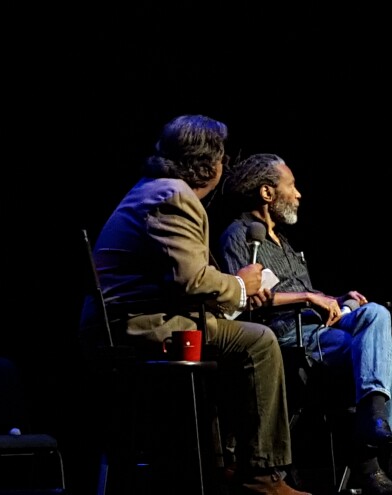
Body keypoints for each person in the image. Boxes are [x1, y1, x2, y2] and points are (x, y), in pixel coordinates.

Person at [79, 115, 308, 495]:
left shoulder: (153, 189)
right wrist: (240, 284)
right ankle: (263, 476)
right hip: (139, 326)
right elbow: (192, 280)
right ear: (209, 164)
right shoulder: (173, 196)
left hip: (136, 319)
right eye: (222, 158)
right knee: (260, 342)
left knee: (236, 339)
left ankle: (224, 465)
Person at [215, 153, 392, 495]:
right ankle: (368, 458)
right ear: (266, 193)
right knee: (371, 352)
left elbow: (305, 295)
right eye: (292, 185)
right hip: (282, 336)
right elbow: (246, 298)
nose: (299, 194)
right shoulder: (240, 235)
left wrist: (336, 298)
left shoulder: (285, 244)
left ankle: (374, 420)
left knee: (375, 313)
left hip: (316, 330)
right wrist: (308, 297)